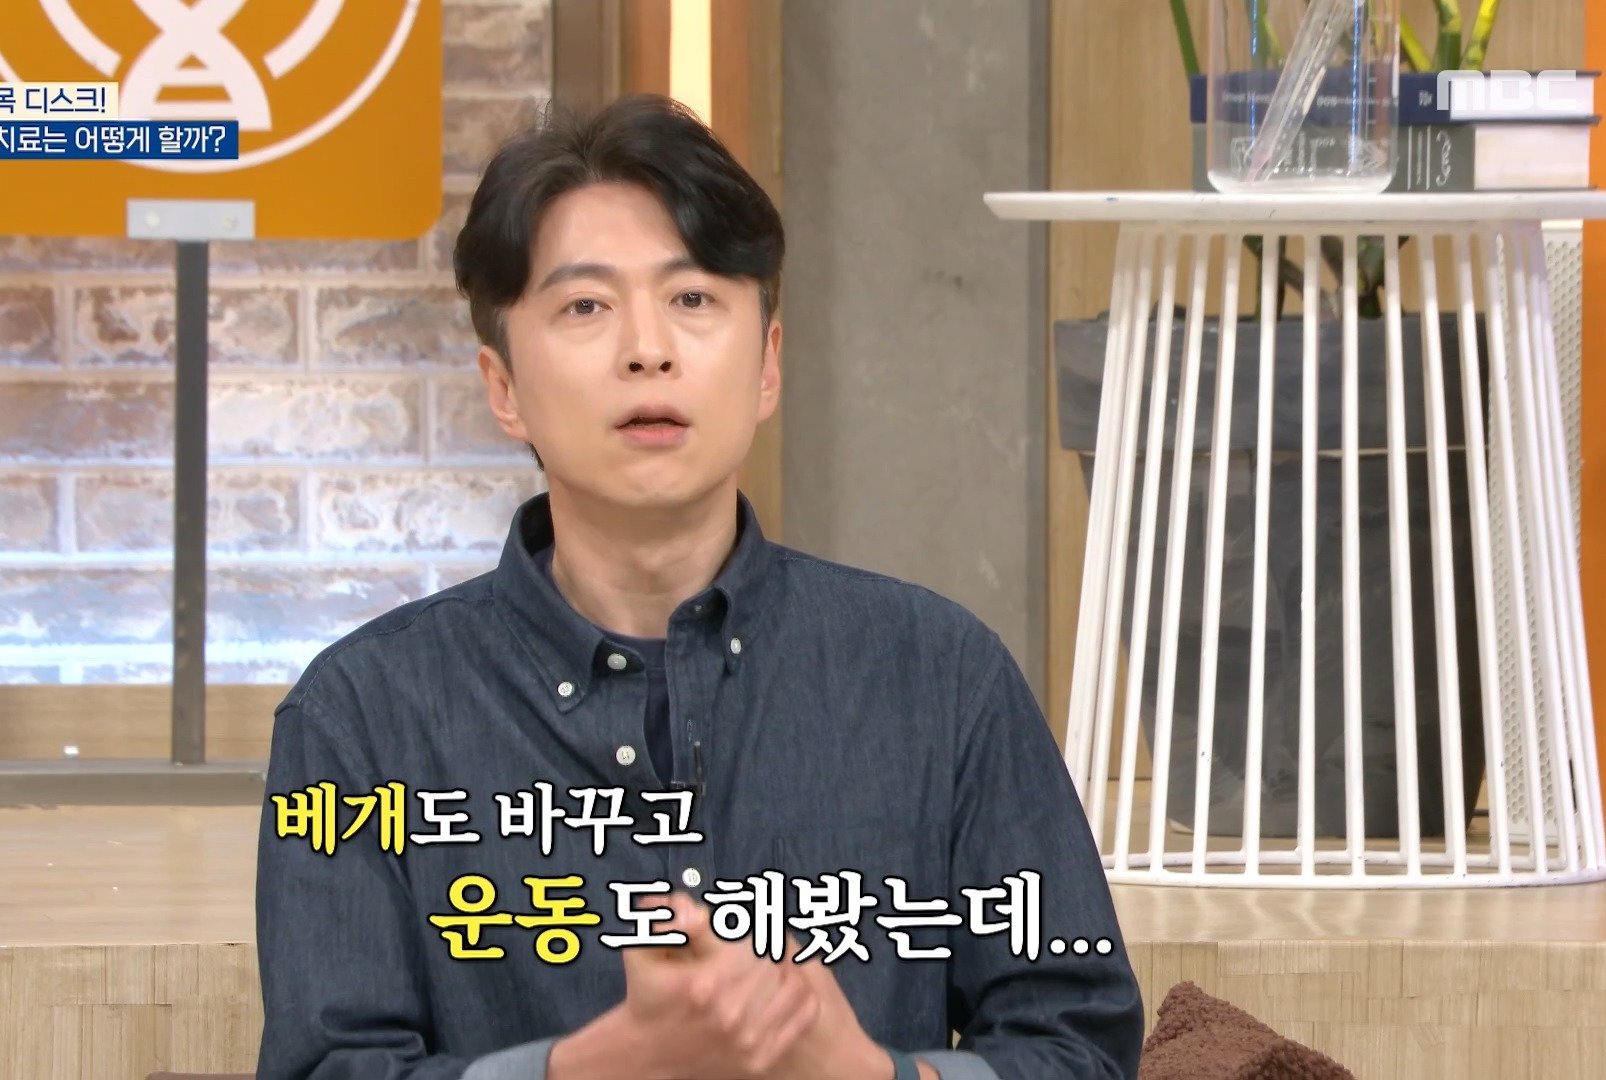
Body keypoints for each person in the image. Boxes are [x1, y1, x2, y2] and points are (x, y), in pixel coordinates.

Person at [255, 94, 1144, 1080]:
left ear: (766, 366)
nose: (649, 348)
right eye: (585, 306)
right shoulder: (359, 718)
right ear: (503, 388)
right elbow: (325, 1066)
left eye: (692, 299)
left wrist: (874, 1077)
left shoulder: (940, 677)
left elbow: (1080, 1043)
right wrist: (580, 1074)